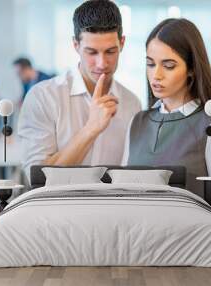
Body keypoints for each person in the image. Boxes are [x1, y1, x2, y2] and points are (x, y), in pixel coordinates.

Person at [122, 18, 211, 221]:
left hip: (188, 245)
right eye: (150, 64)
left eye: (168, 65)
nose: (156, 75)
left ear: (192, 69)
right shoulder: (137, 123)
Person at [18, 0, 141, 181]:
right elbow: (37, 180)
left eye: (110, 52)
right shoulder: (43, 97)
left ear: (122, 43)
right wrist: (90, 129)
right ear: (76, 45)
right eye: (91, 52)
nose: (102, 64)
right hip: (58, 207)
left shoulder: (132, 103)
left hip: (114, 206)